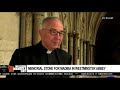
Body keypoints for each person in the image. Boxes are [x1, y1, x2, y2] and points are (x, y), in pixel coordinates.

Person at [6, 16, 72, 79]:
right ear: (41, 33)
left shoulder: (66, 57)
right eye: (53, 32)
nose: (58, 38)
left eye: (60, 33)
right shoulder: (20, 55)